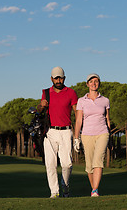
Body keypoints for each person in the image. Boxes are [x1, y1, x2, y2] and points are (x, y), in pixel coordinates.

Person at [37, 66, 78, 198]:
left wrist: (78, 133)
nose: (58, 80)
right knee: (50, 164)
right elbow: (39, 111)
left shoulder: (71, 93)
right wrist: (41, 106)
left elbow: (77, 113)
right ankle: (54, 192)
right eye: (56, 78)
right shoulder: (46, 93)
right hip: (50, 132)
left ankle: (65, 187)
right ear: (51, 79)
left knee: (67, 164)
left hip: (66, 131)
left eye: (60, 77)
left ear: (64, 78)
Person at [74, 73, 110, 197]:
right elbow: (78, 120)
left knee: (98, 161)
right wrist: (76, 138)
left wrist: (109, 135)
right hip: (86, 135)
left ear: (99, 83)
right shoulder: (81, 101)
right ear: (87, 84)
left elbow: (107, 119)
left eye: (96, 81)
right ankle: (94, 189)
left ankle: (95, 190)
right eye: (91, 81)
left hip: (102, 133)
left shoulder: (105, 100)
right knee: (89, 166)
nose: (94, 83)